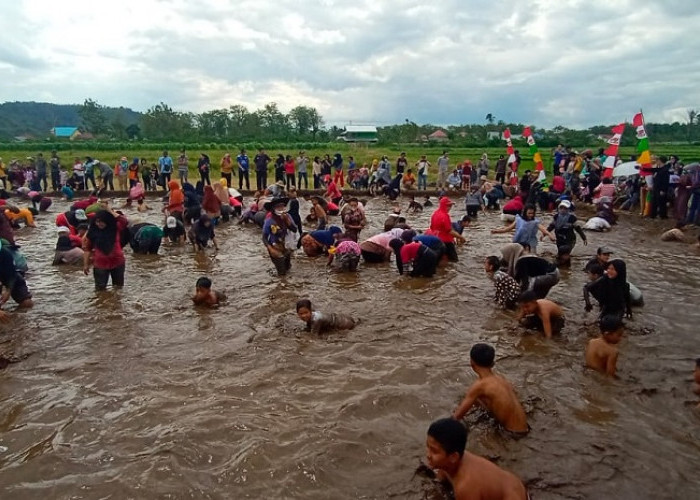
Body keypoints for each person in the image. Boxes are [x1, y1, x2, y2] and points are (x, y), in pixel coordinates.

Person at [425, 418, 528, 500]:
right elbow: (440, 479)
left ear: (453, 457)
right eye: (428, 447)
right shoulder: (452, 459)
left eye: (434, 451)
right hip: (511, 484)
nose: (428, 455)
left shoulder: (464, 486)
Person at [452, 343, 528, 434]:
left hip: (510, 434)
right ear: (491, 362)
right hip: (525, 429)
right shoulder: (501, 379)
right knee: (477, 400)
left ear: (472, 362)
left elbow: (457, 417)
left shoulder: (480, 385)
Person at [83, 209, 128, 291]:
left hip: (117, 262)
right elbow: (87, 249)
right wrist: (86, 265)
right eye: (97, 222)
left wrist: (108, 209)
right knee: (100, 290)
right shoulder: (92, 233)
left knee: (118, 288)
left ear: (107, 221)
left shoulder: (115, 228)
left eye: (101, 221)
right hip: (100, 265)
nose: (99, 224)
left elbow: (124, 220)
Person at [262, 197, 297, 276]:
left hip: (285, 245)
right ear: (273, 208)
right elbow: (264, 237)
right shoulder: (269, 220)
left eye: (282, 206)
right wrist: (270, 249)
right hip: (274, 246)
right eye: (278, 207)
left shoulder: (288, 216)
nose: (281, 208)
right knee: (282, 273)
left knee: (288, 268)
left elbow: (294, 229)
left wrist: (287, 221)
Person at [546, 200, 587, 266]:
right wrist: (545, 233)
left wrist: (584, 238)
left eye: (565, 208)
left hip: (570, 240)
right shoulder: (556, 217)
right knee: (560, 254)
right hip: (559, 239)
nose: (563, 210)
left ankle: (567, 267)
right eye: (561, 208)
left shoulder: (572, 218)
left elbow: (578, 229)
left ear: (568, 209)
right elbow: (551, 226)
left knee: (565, 252)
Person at [427, 197, 465, 262]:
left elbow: (432, 227)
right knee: (454, 261)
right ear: (444, 206)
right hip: (446, 241)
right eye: (449, 206)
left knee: (439, 260)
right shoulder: (445, 216)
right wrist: (461, 237)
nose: (450, 208)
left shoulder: (435, 214)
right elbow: (449, 231)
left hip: (436, 240)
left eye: (450, 206)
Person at [0, 238, 33, 309]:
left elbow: (11, 274)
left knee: (27, 303)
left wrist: (8, 290)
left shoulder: (5, 253)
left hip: (7, 274)